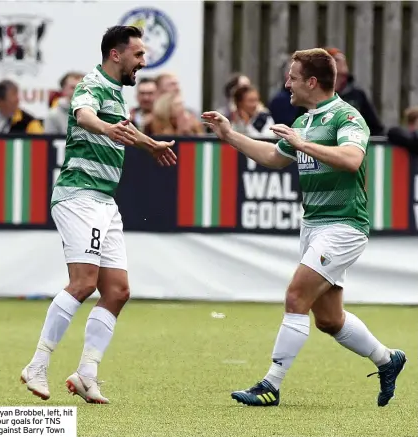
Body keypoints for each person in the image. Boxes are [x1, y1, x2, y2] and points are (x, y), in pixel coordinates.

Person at [202, 48, 406, 408]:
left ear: (312, 82)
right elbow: (272, 156)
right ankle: (387, 360)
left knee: (296, 296)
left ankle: (271, 384)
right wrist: (229, 134)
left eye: (293, 77)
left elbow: (352, 158)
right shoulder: (303, 121)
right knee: (329, 319)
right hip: (313, 225)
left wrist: (303, 145)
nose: (286, 84)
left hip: (344, 225)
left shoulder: (347, 117)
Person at [20, 25, 176, 404]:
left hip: (104, 200)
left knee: (118, 291)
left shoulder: (117, 94)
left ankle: (86, 373)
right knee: (83, 283)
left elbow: (123, 130)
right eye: (138, 55)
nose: (143, 62)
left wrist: (151, 144)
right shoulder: (92, 83)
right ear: (116, 54)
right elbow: (86, 115)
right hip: (79, 196)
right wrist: (108, 128)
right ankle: (37, 364)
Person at [325, 47, 384, 136]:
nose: (342, 61)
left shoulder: (357, 94)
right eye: (336, 59)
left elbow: (375, 128)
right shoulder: (314, 95)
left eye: (343, 59)